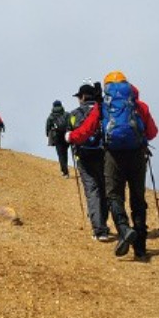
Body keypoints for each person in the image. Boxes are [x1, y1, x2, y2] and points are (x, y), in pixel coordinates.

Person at [99, 70, 158, 260]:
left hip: (113, 156)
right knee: (138, 200)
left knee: (114, 195)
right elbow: (152, 132)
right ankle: (140, 247)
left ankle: (124, 230)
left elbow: (89, 129)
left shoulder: (103, 106)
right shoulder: (140, 106)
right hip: (137, 156)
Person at [65, 84, 111, 242]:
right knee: (104, 189)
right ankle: (104, 223)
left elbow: (69, 133)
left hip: (84, 157)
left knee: (92, 191)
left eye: (79, 96)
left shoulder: (74, 114)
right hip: (103, 155)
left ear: (83, 97)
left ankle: (99, 230)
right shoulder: (103, 110)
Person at [45, 100, 70, 177]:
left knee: (60, 154)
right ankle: (65, 168)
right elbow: (70, 124)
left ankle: (64, 171)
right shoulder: (66, 114)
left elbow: (48, 127)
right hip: (66, 136)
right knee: (65, 153)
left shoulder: (51, 116)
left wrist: (48, 135)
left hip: (57, 137)